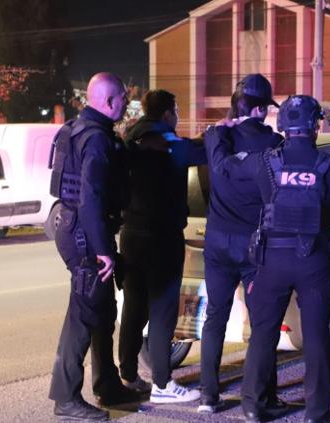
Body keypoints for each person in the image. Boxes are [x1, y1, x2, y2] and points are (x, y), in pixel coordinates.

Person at [208, 95, 330, 423]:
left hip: (271, 261)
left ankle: (253, 406)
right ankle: (316, 412)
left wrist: (216, 135)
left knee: (263, 334)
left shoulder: (264, 162)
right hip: (315, 262)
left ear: (282, 126)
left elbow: (223, 168)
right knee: (316, 338)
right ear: (315, 126)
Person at [47, 72, 135, 421]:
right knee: (83, 315)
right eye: (123, 97)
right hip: (85, 233)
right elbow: (91, 199)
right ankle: (66, 398)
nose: (127, 102)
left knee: (102, 311)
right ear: (109, 101)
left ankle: (108, 385)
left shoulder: (76, 128)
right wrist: (102, 250)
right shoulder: (96, 139)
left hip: (76, 226)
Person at [198, 73, 285, 414]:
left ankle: (208, 396)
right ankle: (264, 397)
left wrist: (220, 129)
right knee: (262, 323)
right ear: (261, 109)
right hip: (254, 246)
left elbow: (213, 144)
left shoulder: (219, 138)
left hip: (218, 242)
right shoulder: (274, 144)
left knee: (215, 316)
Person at [117, 89, 206, 403]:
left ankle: (128, 375)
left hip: (130, 235)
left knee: (133, 307)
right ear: (168, 113)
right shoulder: (170, 144)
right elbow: (201, 153)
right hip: (162, 237)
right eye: (176, 111)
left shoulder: (129, 139)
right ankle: (163, 384)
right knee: (163, 310)